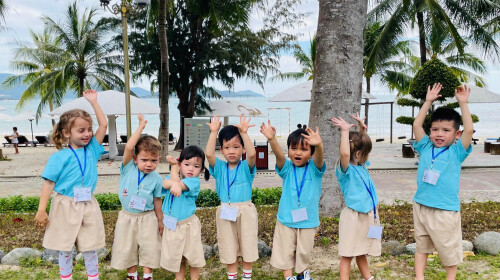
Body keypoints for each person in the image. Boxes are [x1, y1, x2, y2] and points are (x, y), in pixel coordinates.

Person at [34, 89, 107, 280]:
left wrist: (94, 102)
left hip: (88, 204)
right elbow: (48, 184)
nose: (87, 134)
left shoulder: (92, 150)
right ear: (66, 133)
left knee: (90, 247)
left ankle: (93, 277)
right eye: (81, 130)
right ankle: (66, 277)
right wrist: (42, 210)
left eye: (88, 129)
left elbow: (104, 124)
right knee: (65, 248)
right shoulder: (59, 157)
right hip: (64, 205)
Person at [411, 83, 473, 280]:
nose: (439, 134)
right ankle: (419, 277)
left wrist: (463, 104)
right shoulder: (425, 147)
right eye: (435, 129)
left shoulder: (456, 152)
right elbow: (416, 125)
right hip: (421, 204)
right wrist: (428, 101)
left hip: (445, 209)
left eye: (446, 130)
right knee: (421, 245)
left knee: (448, 250)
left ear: (456, 135)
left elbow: (469, 130)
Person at [261, 121, 325, 280]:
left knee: (304, 252)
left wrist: (319, 145)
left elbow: (319, 159)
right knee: (286, 251)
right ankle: (288, 277)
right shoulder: (287, 169)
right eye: (293, 148)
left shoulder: (314, 170)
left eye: (304, 149)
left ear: (311, 153)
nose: (298, 152)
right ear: (289, 149)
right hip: (286, 220)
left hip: (308, 221)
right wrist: (272, 139)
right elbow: (279, 156)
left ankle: (303, 274)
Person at [110, 114, 163, 280]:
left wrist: (160, 220)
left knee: (149, 247)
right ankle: (132, 275)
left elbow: (157, 200)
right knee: (127, 247)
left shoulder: (157, 178)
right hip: (127, 217)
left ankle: (148, 275)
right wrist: (141, 127)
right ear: (135, 158)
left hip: (148, 217)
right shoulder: (128, 168)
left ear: (158, 160)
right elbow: (128, 147)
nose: (149, 164)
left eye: (153, 161)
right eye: (144, 160)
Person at [205, 115, 258, 280]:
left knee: (247, 244)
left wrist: (245, 133)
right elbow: (208, 154)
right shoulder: (220, 167)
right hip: (225, 210)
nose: (232, 151)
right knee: (228, 245)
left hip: (246, 210)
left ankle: (247, 276)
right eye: (227, 147)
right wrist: (214, 132)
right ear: (222, 150)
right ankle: (232, 276)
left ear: (242, 149)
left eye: (236, 147)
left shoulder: (246, 167)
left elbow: (252, 154)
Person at [331, 113, 380, 280]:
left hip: (369, 214)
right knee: (347, 253)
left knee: (361, 250)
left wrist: (361, 129)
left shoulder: (361, 165)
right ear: (358, 154)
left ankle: (369, 278)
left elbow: (359, 145)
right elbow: (345, 154)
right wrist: (345, 131)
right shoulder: (345, 169)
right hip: (353, 216)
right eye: (366, 153)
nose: (368, 156)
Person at [160, 147, 210, 280]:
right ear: (180, 163)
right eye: (186, 164)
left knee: (193, 256)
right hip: (172, 225)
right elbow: (165, 183)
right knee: (178, 256)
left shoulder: (193, 182)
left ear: (201, 169)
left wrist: (174, 167)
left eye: (196, 166)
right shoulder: (173, 177)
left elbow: (177, 187)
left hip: (188, 225)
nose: (190, 169)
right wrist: (174, 170)